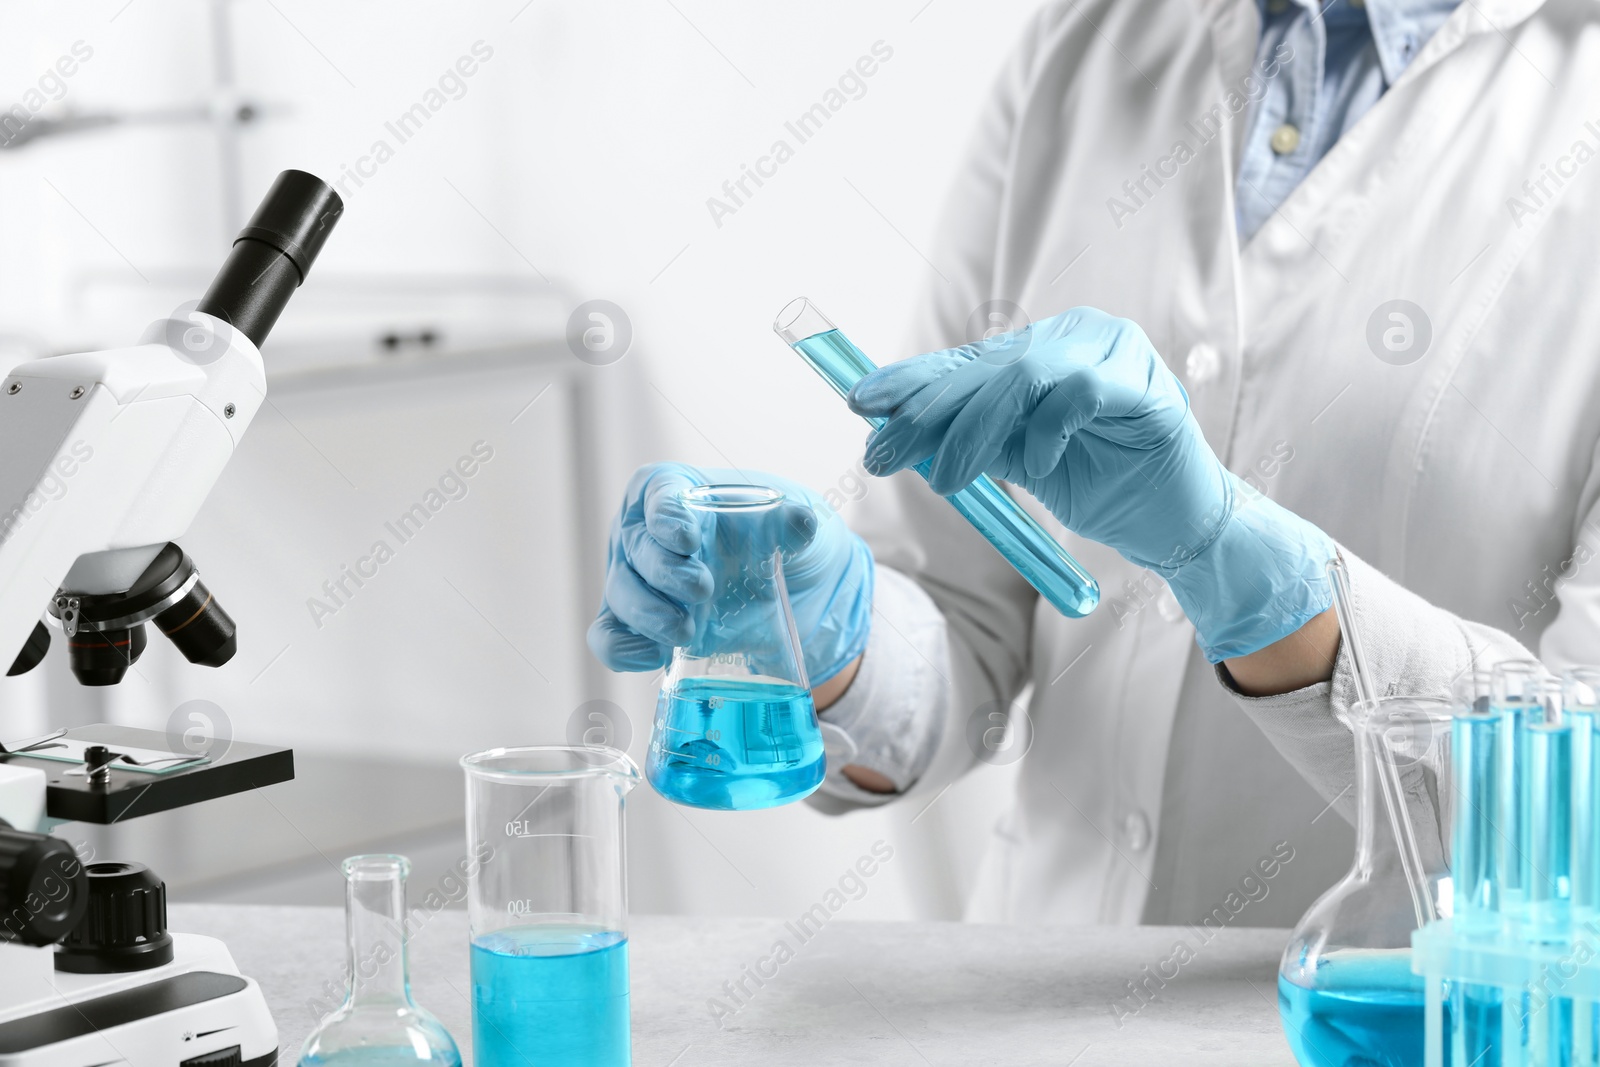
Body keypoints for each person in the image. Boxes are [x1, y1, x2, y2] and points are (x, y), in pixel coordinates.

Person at [590, 0, 1600, 926]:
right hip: (1034, 995)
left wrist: (1236, 565)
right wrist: (830, 633)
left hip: (1380, 1013)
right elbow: (963, 607)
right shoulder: (1086, 41)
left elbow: (1577, 813)